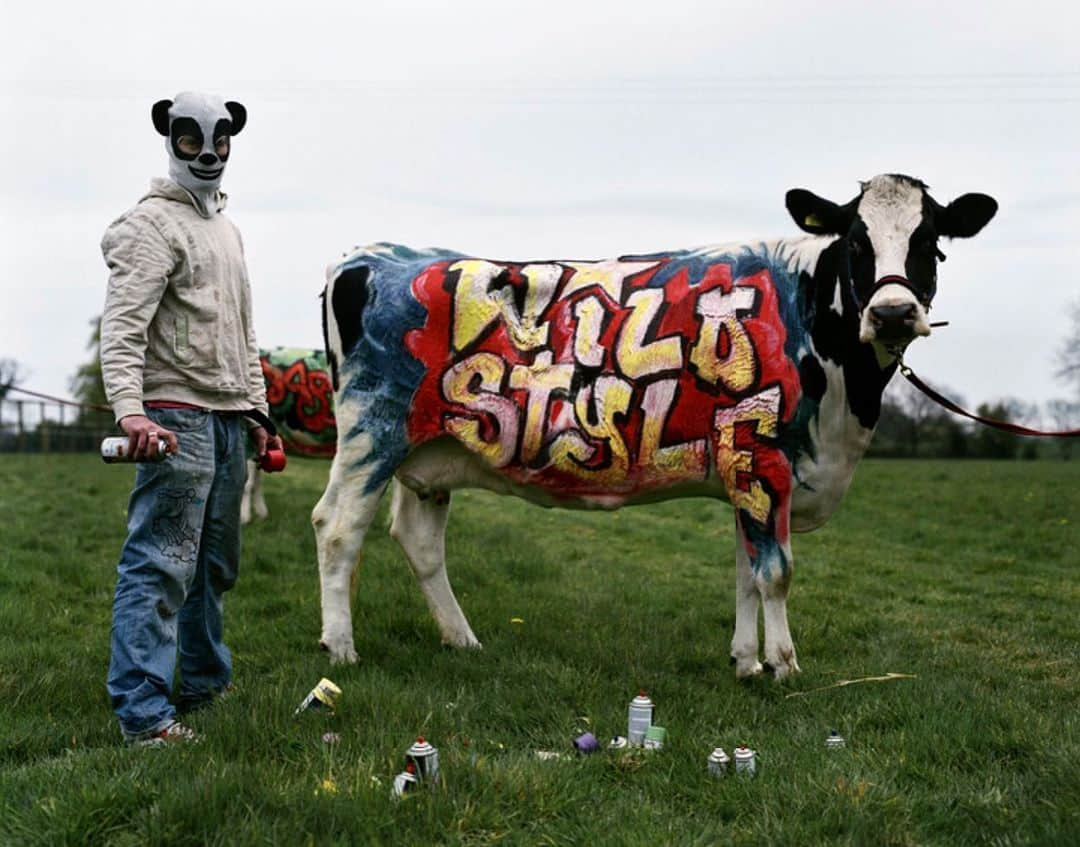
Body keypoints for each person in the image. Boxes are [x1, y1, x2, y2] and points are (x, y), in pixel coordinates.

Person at [99, 91, 282, 746]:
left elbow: (241, 329)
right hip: (175, 414)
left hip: (229, 418)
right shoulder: (151, 225)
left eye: (220, 139)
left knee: (213, 564)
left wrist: (259, 413)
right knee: (161, 562)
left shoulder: (227, 230)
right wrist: (131, 409)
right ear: (168, 138)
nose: (207, 153)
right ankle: (144, 715)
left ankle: (203, 679)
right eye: (190, 139)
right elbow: (123, 327)